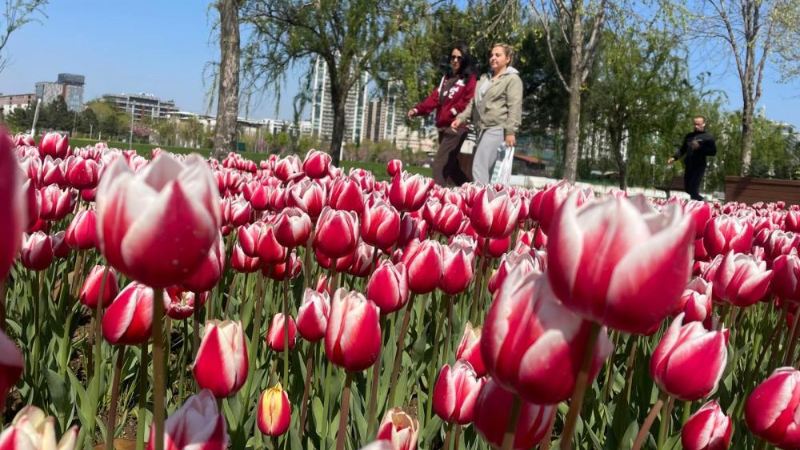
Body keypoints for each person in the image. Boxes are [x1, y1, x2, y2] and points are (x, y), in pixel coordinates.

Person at [451, 43, 523, 185]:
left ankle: (479, 196)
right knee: (486, 171)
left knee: (479, 166)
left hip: (497, 128)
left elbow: (514, 106)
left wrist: (510, 131)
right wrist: (461, 118)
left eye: (498, 55)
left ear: (508, 59)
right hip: (481, 129)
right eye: (491, 55)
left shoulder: (512, 79)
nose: (493, 58)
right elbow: (473, 103)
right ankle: (488, 197)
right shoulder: (485, 79)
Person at [408, 43, 477, 186]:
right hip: (443, 127)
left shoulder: (469, 79)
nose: (455, 60)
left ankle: (436, 196)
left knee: (439, 165)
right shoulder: (446, 79)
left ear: (465, 59)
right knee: (452, 168)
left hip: (457, 127)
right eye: (453, 57)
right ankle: (473, 192)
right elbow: (434, 99)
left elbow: (468, 101)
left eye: (459, 58)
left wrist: (452, 112)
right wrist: (417, 110)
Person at [668, 116, 717, 201]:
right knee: (688, 189)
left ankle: (702, 201)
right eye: (694, 124)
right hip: (689, 165)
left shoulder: (708, 138)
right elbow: (683, 149)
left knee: (693, 189)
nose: (696, 126)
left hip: (699, 166)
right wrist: (674, 157)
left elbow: (713, 152)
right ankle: (700, 201)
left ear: (704, 124)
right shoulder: (689, 136)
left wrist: (699, 147)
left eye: (698, 124)